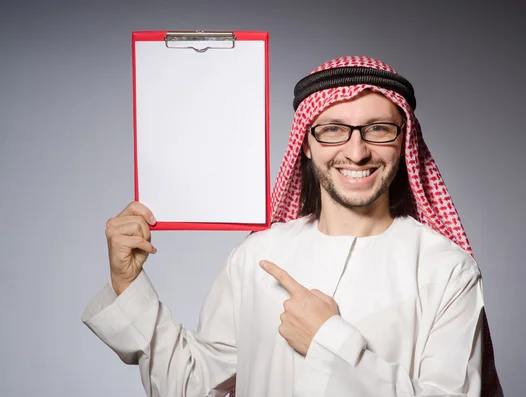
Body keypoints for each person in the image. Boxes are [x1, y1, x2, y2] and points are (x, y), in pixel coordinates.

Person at [82, 56, 503, 397]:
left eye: (377, 129)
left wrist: (329, 340)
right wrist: (128, 284)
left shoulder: (447, 270)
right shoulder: (257, 257)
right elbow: (191, 386)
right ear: (306, 142)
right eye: (334, 131)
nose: (356, 152)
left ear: (403, 140)